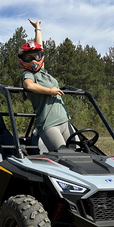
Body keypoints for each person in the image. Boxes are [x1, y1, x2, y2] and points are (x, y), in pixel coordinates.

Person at [19, 19, 75, 152]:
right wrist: (50, 90)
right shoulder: (28, 74)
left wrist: (37, 28)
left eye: (35, 56)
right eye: (29, 57)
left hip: (64, 120)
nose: (33, 60)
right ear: (23, 59)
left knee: (79, 153)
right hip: (48, 124)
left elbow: (39, 46)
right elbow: (29, 86)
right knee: (64, 156)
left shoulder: (43, 71)